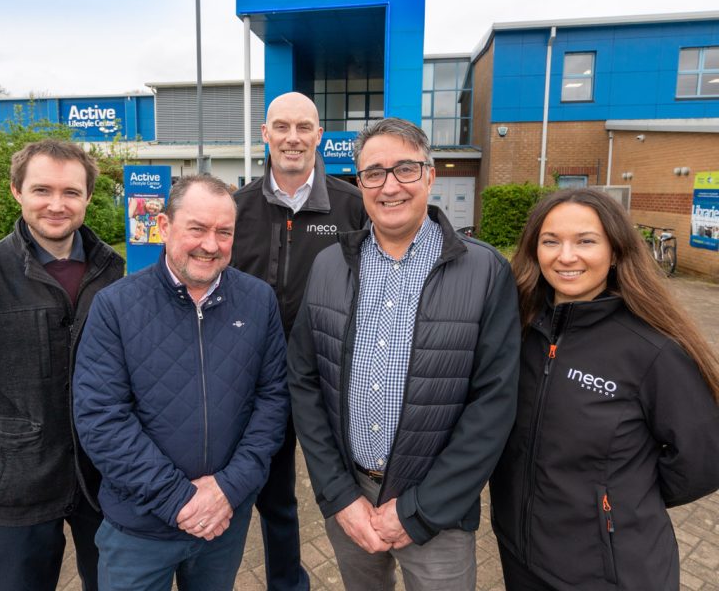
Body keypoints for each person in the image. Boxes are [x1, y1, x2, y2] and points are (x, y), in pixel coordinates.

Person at [288, 117, 521, 590]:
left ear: (430, 176)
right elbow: (305, 380)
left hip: (437, 508)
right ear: (360, 183)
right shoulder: (330, 265)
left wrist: (422, 509)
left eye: (405, 170)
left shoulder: (485, 269)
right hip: (352, 496)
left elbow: (493, 403)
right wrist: (337, 494)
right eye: (374, 173)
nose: (389, 185)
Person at [0, 139, 125, 591]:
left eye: (71, 192)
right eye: (41, 190)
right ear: (17, 191)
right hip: (13, 488)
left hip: (101, 481)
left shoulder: (113, 272)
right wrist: (2, 432)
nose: (57, 204)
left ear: (89, 197)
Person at [489, 188, 719, 591]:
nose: (566, 256)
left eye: (586, 241)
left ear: (615, 252)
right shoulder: (518, 330)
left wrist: (618, 499)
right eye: (550, 241)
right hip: (519, 552)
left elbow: (704, 459)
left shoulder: (653, 351)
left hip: (608, 571)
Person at [73, 174, 290, 591]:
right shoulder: (115, 306)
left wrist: (228, 489)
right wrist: (180, 500)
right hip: (139, 527)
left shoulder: (259, 300)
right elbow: (102, 419)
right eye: (197, 228)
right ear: (165, 227)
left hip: (223, 522)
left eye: (223, 232)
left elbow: (272, 401)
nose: (211, 244)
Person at [232, 91, 368, 590]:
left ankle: (367, 570)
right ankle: (287, 583)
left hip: (332, 377)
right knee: (273, 496)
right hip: (254, 382)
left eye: (304, 127)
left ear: (319, 136)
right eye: (281, 127)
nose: (293, 138)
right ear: (265, 134)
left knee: (352, 486)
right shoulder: (236, 208)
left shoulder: (354, 207)